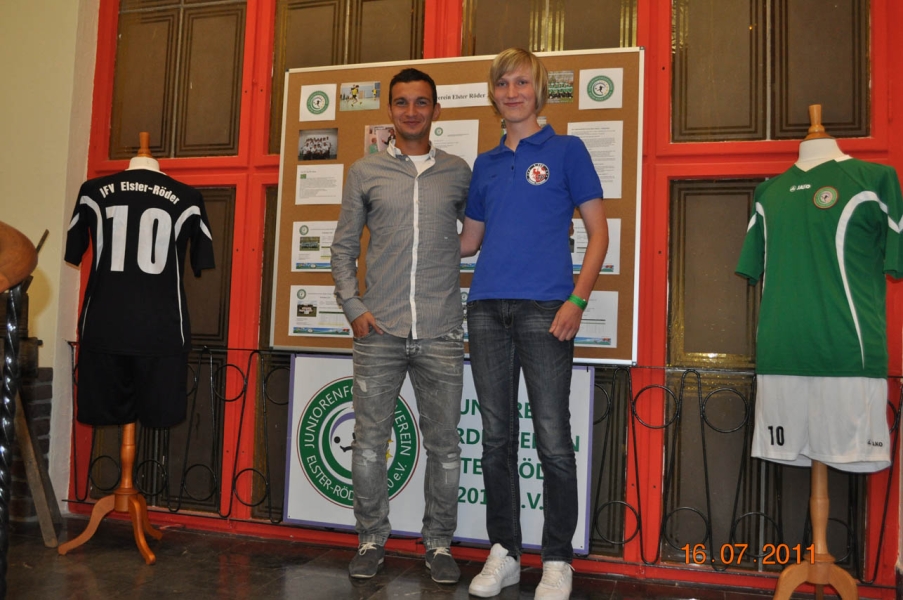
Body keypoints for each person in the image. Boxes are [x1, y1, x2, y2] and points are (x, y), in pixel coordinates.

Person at [460, 48, 609, 600]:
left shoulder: (568, 151)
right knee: (495, 438)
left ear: (539, 90)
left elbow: (599, 234)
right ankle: (504, 551)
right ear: (493, 93)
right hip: (485, 309)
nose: (512, 92)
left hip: (547, 310)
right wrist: (409, 234)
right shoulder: (485, 163)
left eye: (522, 82)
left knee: (552, 439)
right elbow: (469, 242)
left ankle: (557, 559)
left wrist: (577, 300)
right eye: (503, 83)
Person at [331, 67, 472, 583]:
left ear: (436, 109)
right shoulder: (364, 171)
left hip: (441, 329)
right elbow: (344, 246)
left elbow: (475, 236)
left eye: (421, 102)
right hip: (379, 331)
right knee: (369, 443)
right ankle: (371, 539)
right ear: (389, 110)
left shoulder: (458, 172)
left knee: (446, 448)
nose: (411, 111)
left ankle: (439, 544)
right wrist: (353, 307)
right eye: (402, 102)